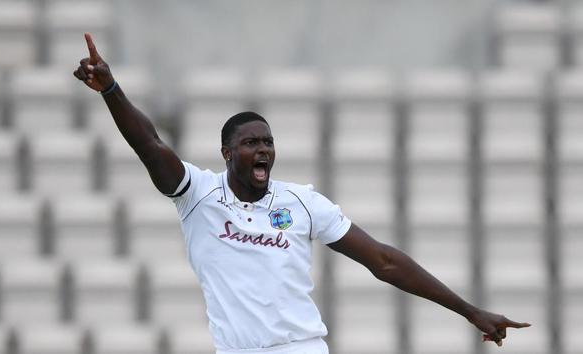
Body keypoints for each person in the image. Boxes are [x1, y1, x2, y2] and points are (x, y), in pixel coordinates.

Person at [73, 33, 531, 354]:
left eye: (269, 142)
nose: (264, 150)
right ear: (227, 152)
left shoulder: (303, 204)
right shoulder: (198, 196)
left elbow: (384, 262)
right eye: (252, 142)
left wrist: (469, 311)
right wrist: (111, 89)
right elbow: (149, 145)